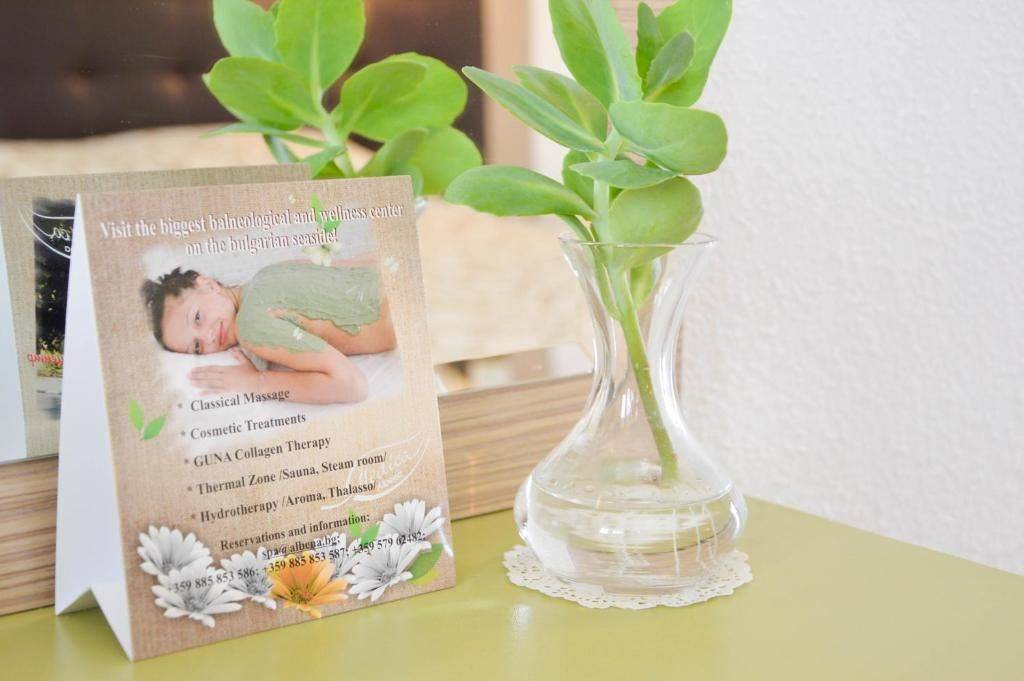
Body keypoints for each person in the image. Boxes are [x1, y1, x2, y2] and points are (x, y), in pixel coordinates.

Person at [141, 256, 396, 405]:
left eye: (197, 318)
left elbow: (351, 385)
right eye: (196, 346)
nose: (207, 336)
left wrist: (257, 382)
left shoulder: (249, 326)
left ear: (207, 284)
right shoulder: (269, 272)